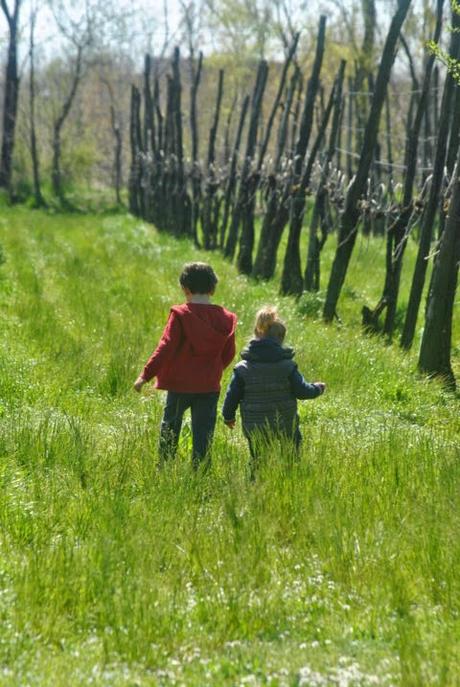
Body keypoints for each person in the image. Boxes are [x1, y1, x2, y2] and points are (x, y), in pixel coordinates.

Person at [134, 262, 237, 469]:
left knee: (170, 426)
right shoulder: (225, 319)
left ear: (185, 289)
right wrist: (213, 369)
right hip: (208, 385)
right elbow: (229, 353)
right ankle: (200, 471)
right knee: (204, 431)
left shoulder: (181, 315)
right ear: (213, 289)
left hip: (179, 385)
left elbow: (166, 346)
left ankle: (165, 467)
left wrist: (146, 375)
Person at [222, 306, 325, 476]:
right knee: (292, 456)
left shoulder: (243, 368)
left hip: (255, 425)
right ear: (281, 339)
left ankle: (256, 487)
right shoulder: (287, 366)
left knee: (258, 460)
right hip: (285, 423)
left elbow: (232, 396)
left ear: (256, 332)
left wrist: (228, 417)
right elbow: (302, 391)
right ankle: (290, 481)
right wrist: (318, 389)